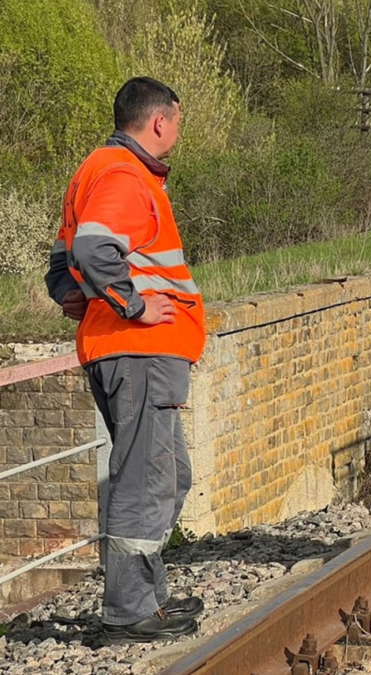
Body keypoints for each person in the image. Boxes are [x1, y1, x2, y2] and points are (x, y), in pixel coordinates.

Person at [45, 77, 207, 643]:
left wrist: (75, 291)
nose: (178, 134)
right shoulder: (124, 175)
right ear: (159, 121)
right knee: (146, 481)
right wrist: (132, 305)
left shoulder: (94, 171)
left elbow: (64, 260)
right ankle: (130, 610)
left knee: (168, 475)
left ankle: (150, 597)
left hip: (127, 352)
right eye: (178, 123)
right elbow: (93, 250)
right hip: (138, 351)